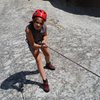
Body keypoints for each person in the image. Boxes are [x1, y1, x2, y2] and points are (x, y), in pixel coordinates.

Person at [25, 9, 55, 92]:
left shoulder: (44, 26)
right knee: (39, 60)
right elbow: (33, 44)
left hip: (40, 41)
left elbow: (45, 35)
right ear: (33, 20)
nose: (38, 25)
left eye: (40, 23)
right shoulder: (28, 30)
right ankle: (45, 81)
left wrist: (44, 42)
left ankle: (48, 64)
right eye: (36, 22)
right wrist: (41, 45)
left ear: (43, 23)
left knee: (47, 54)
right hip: (33, 44)